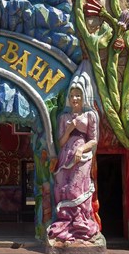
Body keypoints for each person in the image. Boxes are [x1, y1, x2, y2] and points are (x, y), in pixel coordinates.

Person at [47, 83, 100, 242]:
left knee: (75, 189)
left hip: (82, 157)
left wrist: (81, 149)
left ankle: (80, 222)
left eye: (78, 95)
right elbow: (61, 142)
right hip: (66, 155)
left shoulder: (89, 116)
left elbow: (94, 140)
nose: (75, 98)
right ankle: (64, 221)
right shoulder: (63, 117)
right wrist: (69, 129)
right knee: (62, 187)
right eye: (72, 96)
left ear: (84, 97)